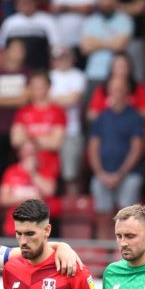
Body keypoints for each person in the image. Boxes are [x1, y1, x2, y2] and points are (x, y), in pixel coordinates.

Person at [88, 77, 145, 239]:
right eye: (114, 89)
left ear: (127, 92)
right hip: (102, 174)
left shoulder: (134, 117)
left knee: (127, 218)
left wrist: (120, 174)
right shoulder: (101, 118)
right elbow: (93, 148)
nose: (117, 93)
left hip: (129, 175)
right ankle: (102, 255)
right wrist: (101, 173)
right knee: (103, 216)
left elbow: (137, 149)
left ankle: (124, 256)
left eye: (120, 89)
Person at [0, 38, 32, 187]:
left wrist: (1, 99)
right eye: (15, 49)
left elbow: (25, 99)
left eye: (22, 50)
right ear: (6, 52)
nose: (19, 53)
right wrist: (17, 99)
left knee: (22, 166)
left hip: (22, 128)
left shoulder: (28, 73)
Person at [10, 73, 66, 183]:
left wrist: (29, 137)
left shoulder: (58, 112)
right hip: (25, 163)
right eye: (33, 85)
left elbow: (55, 143)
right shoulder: (22, 112)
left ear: (48, 87)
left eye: (40, 85)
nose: (37, 89)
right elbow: (16, 140)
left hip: (50, 164)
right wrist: (44, 139)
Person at [0, 141, 58, 236]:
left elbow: (49, 191)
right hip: (13, 228)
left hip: (37, 229)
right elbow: (3, 199)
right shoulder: (11, 171)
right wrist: (27, 197)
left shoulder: (45, 170)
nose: (29, 154)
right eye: (26, 151)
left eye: (32, 151)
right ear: (19, 153)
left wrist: (32, 173)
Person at [80, 0, 134, 85]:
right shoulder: (90, 21)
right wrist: (111, 42)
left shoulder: (125, 20)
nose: (106, 2)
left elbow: (119, 46)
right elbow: (85, 48)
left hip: (118, 76)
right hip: (94, 74)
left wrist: (96, 42)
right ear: (98, 0)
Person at [48, 47, 86, 187]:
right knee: (48, 173)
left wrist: (52, 98)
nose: (62, 61)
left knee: (70, 174)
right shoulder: (48, 75)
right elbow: (40, 97)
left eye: (65, 57)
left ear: (72, 58)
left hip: (71, 130)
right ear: (53, 60)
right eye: (59, 58)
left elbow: (73, 99)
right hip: (47, 130)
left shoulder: (78, 75)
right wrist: (64, 99)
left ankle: (72, 206)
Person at [0, 0, 62, 68]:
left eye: (28, 2)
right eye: (22, 2)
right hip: (15, 67)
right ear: (17, 5)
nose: (26, 5)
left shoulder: (47, 20)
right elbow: (1, 47)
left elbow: (55, 46)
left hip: (40, 66)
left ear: (35, 2)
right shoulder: (9, 22)